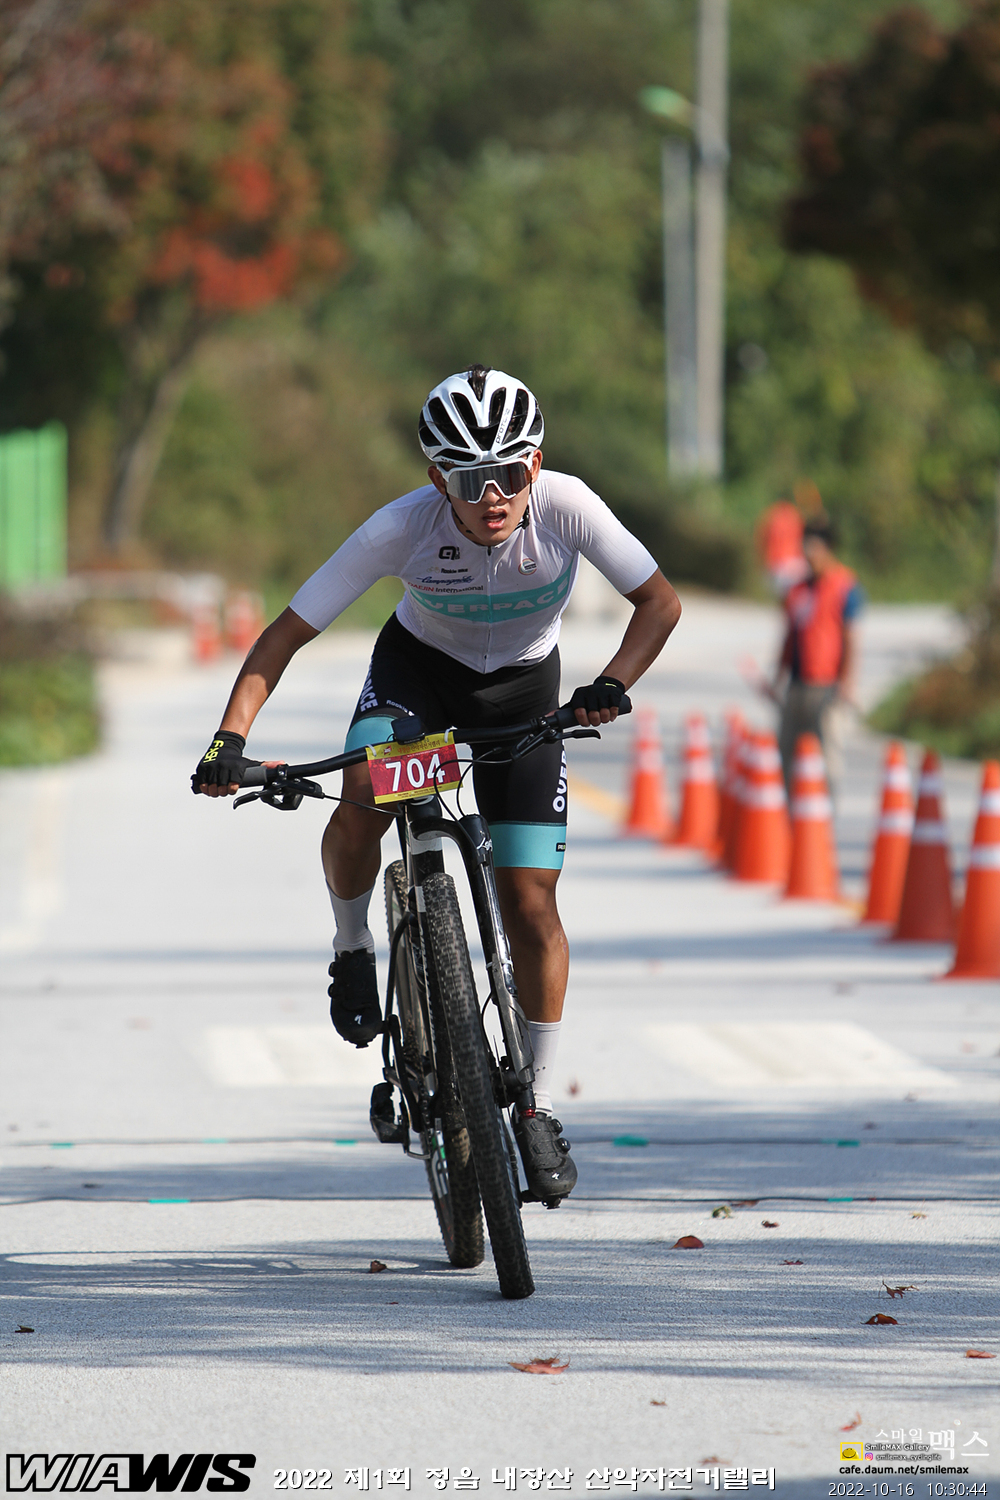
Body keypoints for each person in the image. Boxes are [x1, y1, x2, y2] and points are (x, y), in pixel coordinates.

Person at [193, 364, 681, 1201]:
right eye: (467, 479)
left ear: (535, 465)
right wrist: (229, 739)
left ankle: (536, 1104)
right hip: (417, 680)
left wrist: (611, 683)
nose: (491, 497)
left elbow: (659, 603)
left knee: (531, 905)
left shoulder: (568, 506)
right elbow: (283, 635)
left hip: (525, 693)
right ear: (435, 480)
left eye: (509, 475)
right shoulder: (399, 529)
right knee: (362, 799)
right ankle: (353, 945)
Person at [772, 514, 863, 794]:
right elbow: (789, 636)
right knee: (786, 754)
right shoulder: (797, 589)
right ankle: (788, 812)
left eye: (815, 547)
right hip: (797, 684)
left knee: (827, 757)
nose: (809, 554)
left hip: (826, 685)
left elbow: (851, 638)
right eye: (806, 546)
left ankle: (824, 812)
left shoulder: (845, 586)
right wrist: (778, 677)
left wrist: (847, 681)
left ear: (828, 548)